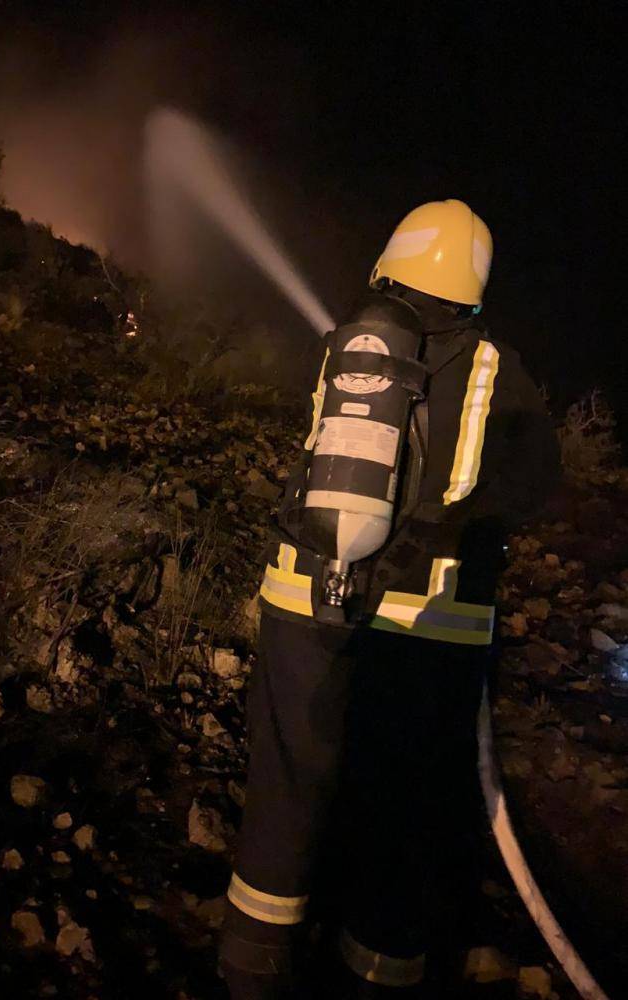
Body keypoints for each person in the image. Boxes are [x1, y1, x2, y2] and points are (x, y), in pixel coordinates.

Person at [218, 200, 561, 999]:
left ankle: (251, 960)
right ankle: (375, 970)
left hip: (304, 597)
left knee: (288, 783)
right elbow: (536, 484)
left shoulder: (349, 349)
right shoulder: (495, 366)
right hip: (429, 624)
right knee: (407, 803)